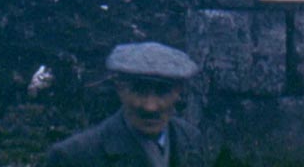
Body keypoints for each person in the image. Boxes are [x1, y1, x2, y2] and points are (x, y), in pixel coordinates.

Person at [45, 41, 206, 167]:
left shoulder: (191, 139)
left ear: (178, 92)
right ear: (119, 88)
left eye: (162, 92)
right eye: (139, 91)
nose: (150, 107)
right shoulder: (74, 157)